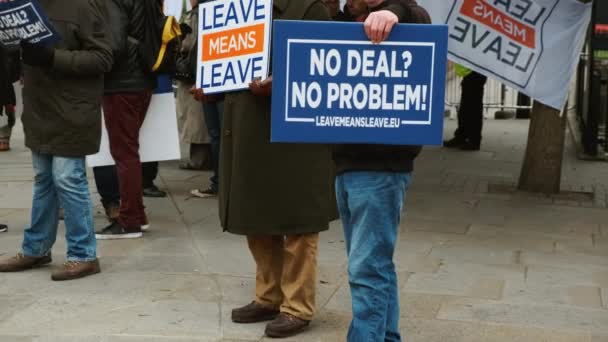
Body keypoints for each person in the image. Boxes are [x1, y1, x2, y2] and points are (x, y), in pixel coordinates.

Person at [193, 1, 335, 338]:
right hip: (247, 126)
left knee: (299, 220)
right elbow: (222, 60)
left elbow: (325, 67)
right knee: (255, 215)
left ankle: (297, 307)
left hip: (294, 132)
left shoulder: (310, 8)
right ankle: (269, 296)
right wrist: (210, 86)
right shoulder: (232, 9)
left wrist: (281, 81)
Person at [333, 0, 430, 340]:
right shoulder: (344, 17)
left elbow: (410, 13)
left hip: (381, 169)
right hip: (347, 164)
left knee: (366, 269)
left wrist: (392, 14)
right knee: (375, 266)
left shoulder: (408, 15)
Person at [0, 0, 113, 280]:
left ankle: (83, 254)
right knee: (44, 180)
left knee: (67, 178)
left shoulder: (83, 7)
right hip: (40, 110)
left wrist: (52, 58)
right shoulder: (27, 7)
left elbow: (103, 58)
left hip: (73, 109)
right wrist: (13, 54)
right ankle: (36, 247)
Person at [95, 0, 159, 239]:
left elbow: (114, 43)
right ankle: (137, 215)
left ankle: (129, 219)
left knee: (124, 154)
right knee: (129, 151)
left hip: (121, 83)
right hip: (141, 80)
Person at [175, 0, 212, 171]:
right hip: (201, 71)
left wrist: (179, 43)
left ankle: (198, 160)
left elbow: (190, 42)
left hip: (193, 73)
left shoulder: (197, 13)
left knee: (196, 121)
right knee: (198, 120)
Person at [443, 65, 488, 151]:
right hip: (472, 72)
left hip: (476, 71)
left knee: (473, 108)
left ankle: (474, 141)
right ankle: (461, 136)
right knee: (465, 107)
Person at [0, 44, 18, 152]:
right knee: (8, 105)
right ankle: (4, 138)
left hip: (6, 80)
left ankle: (3, 138)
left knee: (8, 105)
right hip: (7, 81)